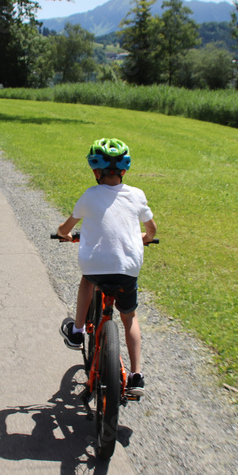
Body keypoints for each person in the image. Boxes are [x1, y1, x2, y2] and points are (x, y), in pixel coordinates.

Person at [56, 138, 157, 397]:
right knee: (129, 317)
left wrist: (64, 235)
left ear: (95, 171)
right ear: (124, 170)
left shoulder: (90, 195)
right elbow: (151, 229)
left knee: (87, 282)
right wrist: (145, 239)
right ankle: (136, 376)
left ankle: (77, 331)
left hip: (95, 266)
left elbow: (65, 228)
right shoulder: (137, 195)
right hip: (127, 268)